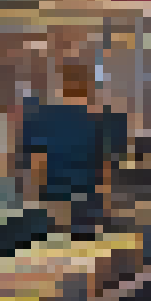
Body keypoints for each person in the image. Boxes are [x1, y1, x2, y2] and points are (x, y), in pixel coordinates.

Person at [20, 63, 117, 236]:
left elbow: (36, 164)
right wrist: (107, 204)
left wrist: (34, 201)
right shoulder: (98, 120)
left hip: (53, 199)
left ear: (62, 85)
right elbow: (105, 166)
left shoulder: (41, 117)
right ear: (87, 86)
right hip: (88, 202)